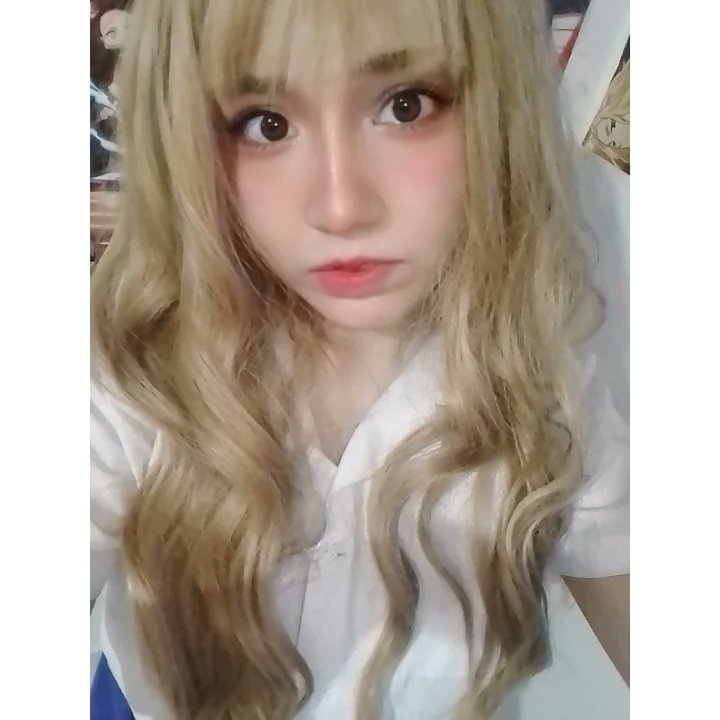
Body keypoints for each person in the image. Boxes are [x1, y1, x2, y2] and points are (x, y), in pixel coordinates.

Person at [90, 1, 630, 719]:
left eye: (406, 106)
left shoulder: (558, 342)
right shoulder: (133, 359)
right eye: (265, 124)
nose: (341, 206)